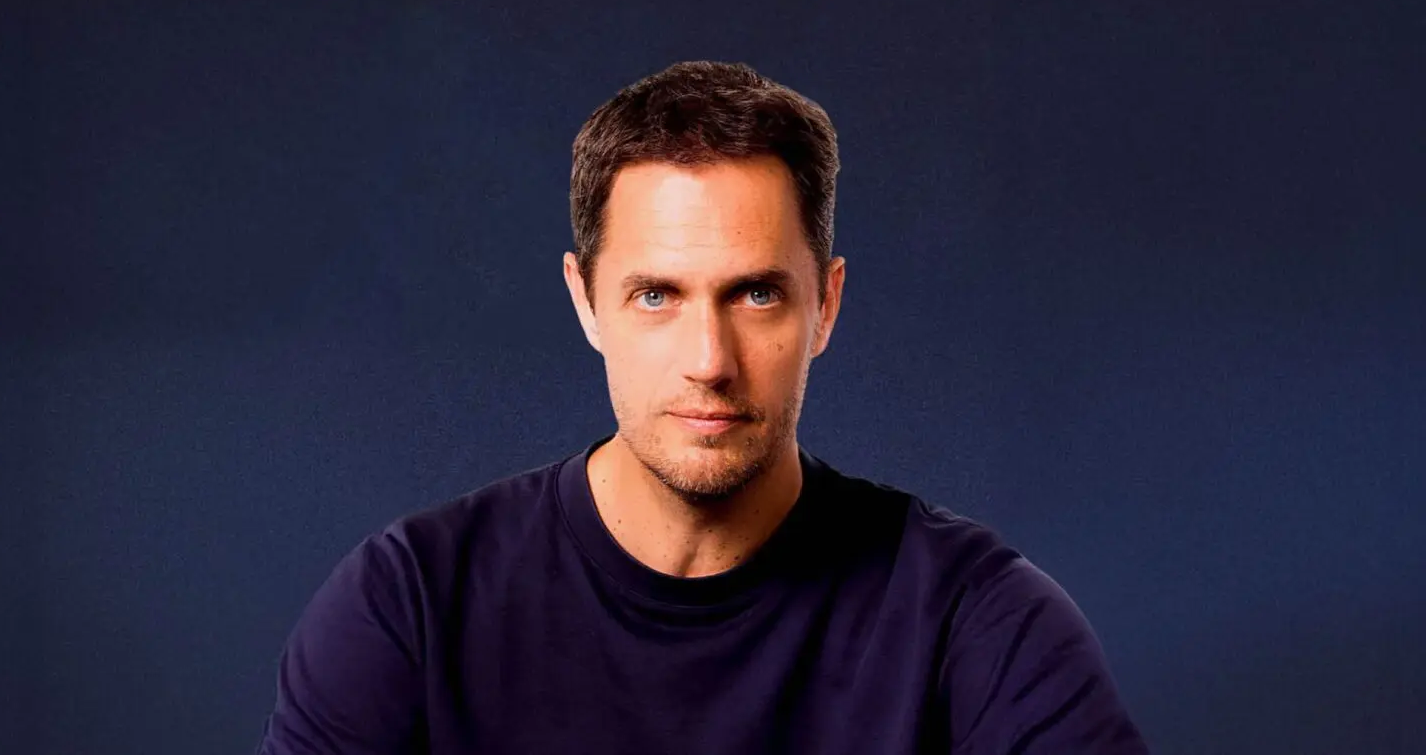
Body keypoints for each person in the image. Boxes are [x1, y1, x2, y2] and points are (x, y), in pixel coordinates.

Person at [257, 60, 1149, 754]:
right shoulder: (410, 605)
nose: (709, 362)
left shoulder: (973, 619)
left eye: (756, 294)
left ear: (826, 305)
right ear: (585, 301)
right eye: (656, 296)